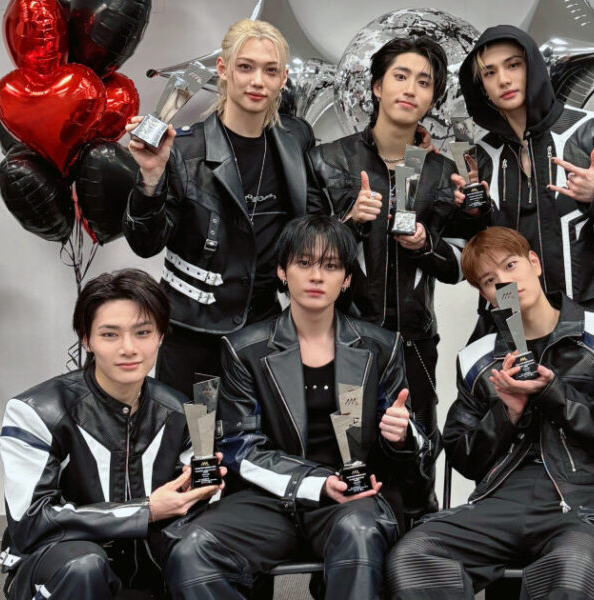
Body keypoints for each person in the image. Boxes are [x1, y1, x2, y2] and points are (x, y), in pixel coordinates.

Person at [163, 215, 432, 600]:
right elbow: (241, 447)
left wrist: (402, 435)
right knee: (193, 549)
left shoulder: (380, 347)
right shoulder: (244, 349)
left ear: (347, 279)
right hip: (268, 502)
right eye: (304, 263)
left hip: (351, 500)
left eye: (331, 266)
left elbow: (410, 443)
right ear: (282, 272)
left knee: (360, 533)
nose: (316, 276)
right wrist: (317, 483)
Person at [387, 227, 594, 599]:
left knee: (571, 568)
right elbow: (463, 456)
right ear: (486, 296)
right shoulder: (477, 357)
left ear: (534, 263)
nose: (505, 282)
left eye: (510, 265)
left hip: (583, 504)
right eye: (491, 281)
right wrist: (506, 413)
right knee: (412, 554)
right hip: (500, 502)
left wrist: (553, 394)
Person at [0, 269, 223, 599]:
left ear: (161, 336)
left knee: (207, 549)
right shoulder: (36, 412)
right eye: (110, 335)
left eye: (142, 332)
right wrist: (146, 510)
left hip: (149, 567)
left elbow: (202, 506)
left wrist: (203, 490)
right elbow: (30, 523)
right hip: (63, 566)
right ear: (86, 340)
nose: (128, 348)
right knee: (84, 565)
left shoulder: (186, 411)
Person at [123, 19, 314, 400]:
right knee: (197, 436)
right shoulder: (184, 151)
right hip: (194, 338)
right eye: (245, 67)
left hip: (263, 334)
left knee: (259, 436)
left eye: (270, 70)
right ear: (223, 70)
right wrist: (151, 178)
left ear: (283, 79)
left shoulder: (296, 140)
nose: (257, 81)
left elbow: (311, 222)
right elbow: (145, 243)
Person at [307, 36, 458, 516]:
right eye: (400, 76)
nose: (410, 89)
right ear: (376, 86)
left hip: (415, 342)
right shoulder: (329, 160)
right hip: (345, 340)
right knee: (346, 459)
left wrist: (427, 244)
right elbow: (302, 254)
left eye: (424, 82)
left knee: (414, 460)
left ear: (432, 98)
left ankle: (417, 553)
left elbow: (461, 265)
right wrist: (349, 223)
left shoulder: (442, 171)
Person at [454, 25, 594, 316]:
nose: (503, 80)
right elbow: (474, 256)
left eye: (513, 65)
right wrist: (473, 215)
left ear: (533, 67)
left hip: (581, 313)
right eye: (489, 73)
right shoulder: (478, 157)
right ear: (481, 86)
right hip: (508, 316)